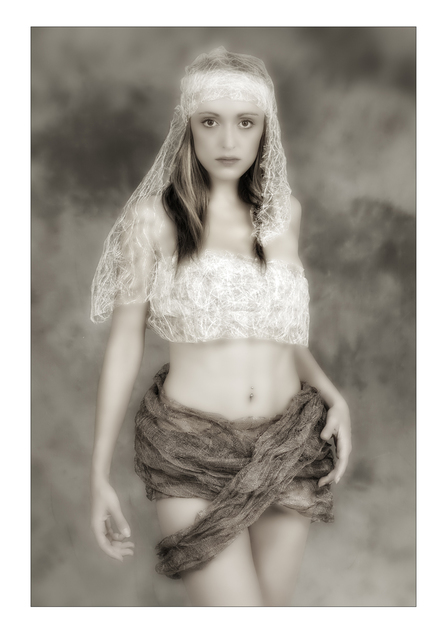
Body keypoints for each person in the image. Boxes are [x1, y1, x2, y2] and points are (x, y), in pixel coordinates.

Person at [90, 47, 352, 607]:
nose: (228, 140)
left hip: (289, 445)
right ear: (188, 127)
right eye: (210, 122)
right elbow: (125, 343)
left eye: (246, 123)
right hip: (190, 450)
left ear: (265, 129)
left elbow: (278, 330)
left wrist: (333, 395)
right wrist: (98, 472)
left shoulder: (284, 215)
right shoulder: (153, 220)